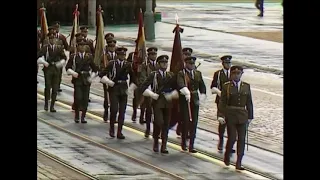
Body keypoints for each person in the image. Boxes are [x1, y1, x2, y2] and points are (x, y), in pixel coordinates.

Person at [139, 55, 178, 153]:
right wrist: (152, 94)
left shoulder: (170, 75)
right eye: (162, 63)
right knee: (159, 122)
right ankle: (156, 141)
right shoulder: (154, 75)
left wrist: (172, 94)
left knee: (166, 124)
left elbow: (176, 87)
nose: (165, 64)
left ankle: (164, 145)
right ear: (158, 64)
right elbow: (143, 87)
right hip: (157, 102)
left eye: (166, 63)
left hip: (168, 103)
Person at [218, 65, 254, 171]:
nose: (236, 75)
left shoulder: (246, 86)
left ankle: (239, 162)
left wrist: (250, 116)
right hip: (231, 115)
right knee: (232, 138)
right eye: (234, 73)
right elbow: (222, 102)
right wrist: (220, 115)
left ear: (241, 74)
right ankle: (227, 154)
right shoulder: (226, 86)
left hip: (243, 115)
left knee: (241, 139)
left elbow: (249, 102)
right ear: (231, 74)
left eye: (238, 73)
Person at [99, 47, 134, 139]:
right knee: (114, 110)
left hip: (123, 88)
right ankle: (111, 129)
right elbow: (102, 74)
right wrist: (108, 81)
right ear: (117, 55)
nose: (122, 56)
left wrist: (131, 89)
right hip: (114, 88)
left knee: (122, 111)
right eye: (120, 55)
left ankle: (119, 132)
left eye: (123, 55)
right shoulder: (112, 64)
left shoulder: (128, 65)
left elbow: (133, 78)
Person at [177, 56, 206, 153]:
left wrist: (202, 95)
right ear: (186, 64)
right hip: (185, 100)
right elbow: (180, 84)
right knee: (186, 122)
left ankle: (191, 145)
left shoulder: (198, 73)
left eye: (193, 64)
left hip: (195, 100)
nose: (192, 65)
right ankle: (184, 142)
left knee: (194, 123)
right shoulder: (182, 73)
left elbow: (202, 86)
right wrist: (186, 91)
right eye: (190, 64)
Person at [65, 41, 99, 123]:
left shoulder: (89, 57)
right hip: (78, 79)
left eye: (84, 46)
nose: (82, 47)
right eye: (80, 45)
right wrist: (73, 73)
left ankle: (83, 116)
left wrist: (91, 77)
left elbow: (95, 69)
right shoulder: (74, 57)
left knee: (85, 99)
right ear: (77, 47)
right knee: (78, 98)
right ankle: (77, 115)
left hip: (86, 80)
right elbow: (67, 68)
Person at [210, 55, 235, 154]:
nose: (228, 65)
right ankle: (221, 141)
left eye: (229, 63)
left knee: (231, 123)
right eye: (226, 63)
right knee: (222, 121)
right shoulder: (218, 74)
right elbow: (213, 86)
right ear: (223, 64)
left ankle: (230, 144)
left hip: (232, 101)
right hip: (221, 101)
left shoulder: (234, 73)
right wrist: (219, 92)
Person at [37, 32, 67, 112]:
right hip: (48, 69)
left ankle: (52, 106)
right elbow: (38, 56)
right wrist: (43, 62)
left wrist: (60, 63)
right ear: (48, 39)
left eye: (54, 38)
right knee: (47, 87)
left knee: (55, 88)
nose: (52, 40)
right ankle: (46, 103)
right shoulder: (45, 48)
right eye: (51, 39)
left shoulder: (59, 48)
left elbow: (64, 57)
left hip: (56, 69)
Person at [169, 47, 193, 137]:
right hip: (178, 93)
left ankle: (184, 130)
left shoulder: (191, 66)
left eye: (189, 54)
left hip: (188, 95)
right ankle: (165, 130)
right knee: (176, 114)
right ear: (182, 55)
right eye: (185, 54)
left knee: (186, 114)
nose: (187, 56)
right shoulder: (178, 66)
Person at [137, 47, 158, 137]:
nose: (153, 56)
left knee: (157, 112)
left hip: (157, 91)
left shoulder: (159, 65)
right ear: (148, 55)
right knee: (149, 111)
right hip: (149, 91)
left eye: (155, 54)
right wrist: (148, 89)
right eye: (151, 54)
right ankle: (148, 128)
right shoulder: (145, 65)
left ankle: (157, 131)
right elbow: (142, 78)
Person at [100, 38, 117, 122]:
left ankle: (114, 115)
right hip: (107, 79)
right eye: (110, 46)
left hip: (116, 80)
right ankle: (106, 112)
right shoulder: (104, 56)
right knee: (107, 97)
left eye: (113, 46)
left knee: (115, 98)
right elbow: (101, 67)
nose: (112, 48)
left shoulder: (118, 55)